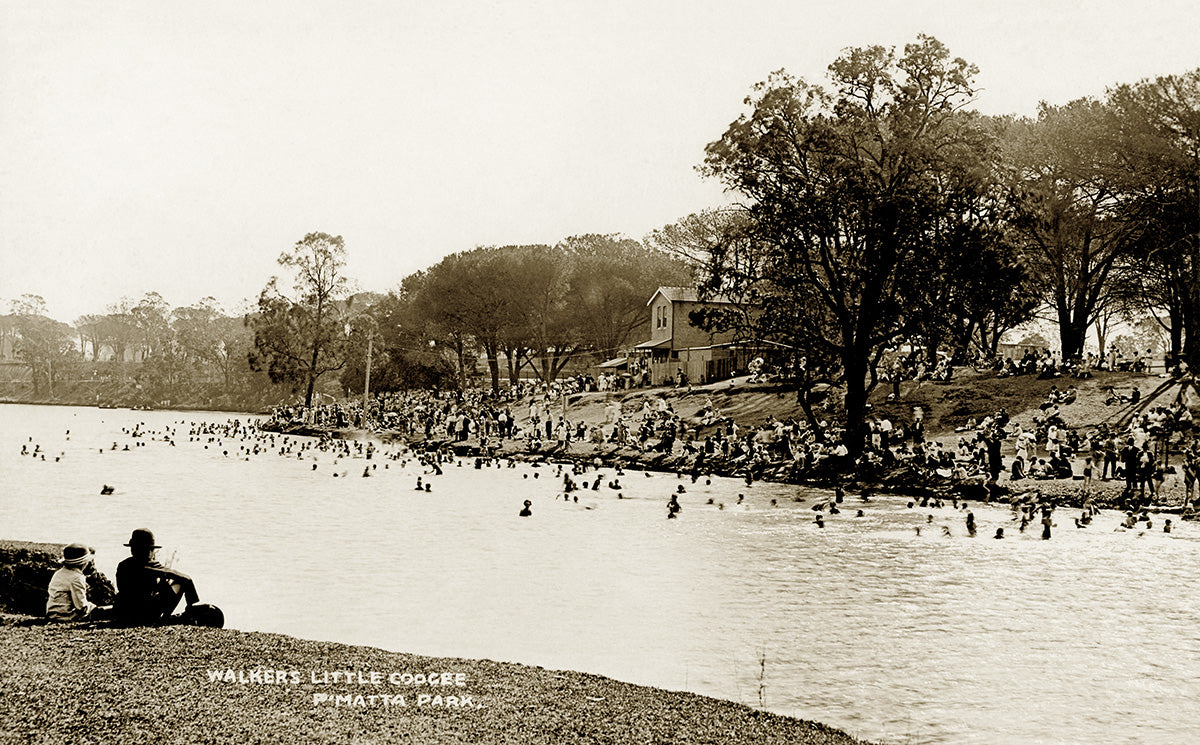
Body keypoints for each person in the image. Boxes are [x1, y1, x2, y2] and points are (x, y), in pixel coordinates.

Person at [114, 529, 201, 626]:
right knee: (182, 582)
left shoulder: (123, 565)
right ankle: (173, 617)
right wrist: (193, 602)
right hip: (143, 613)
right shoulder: (148, 566)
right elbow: (186, 579)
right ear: (149, 550)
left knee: (164, 586)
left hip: (124, 611)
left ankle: (166, 618)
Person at [46, 543, 102, 621]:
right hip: (66, 615)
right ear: (84, 563)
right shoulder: (77, 577)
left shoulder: (59, 573)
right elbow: (81, 606)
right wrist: (93, 607)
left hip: (53, 613)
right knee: (105, 612)